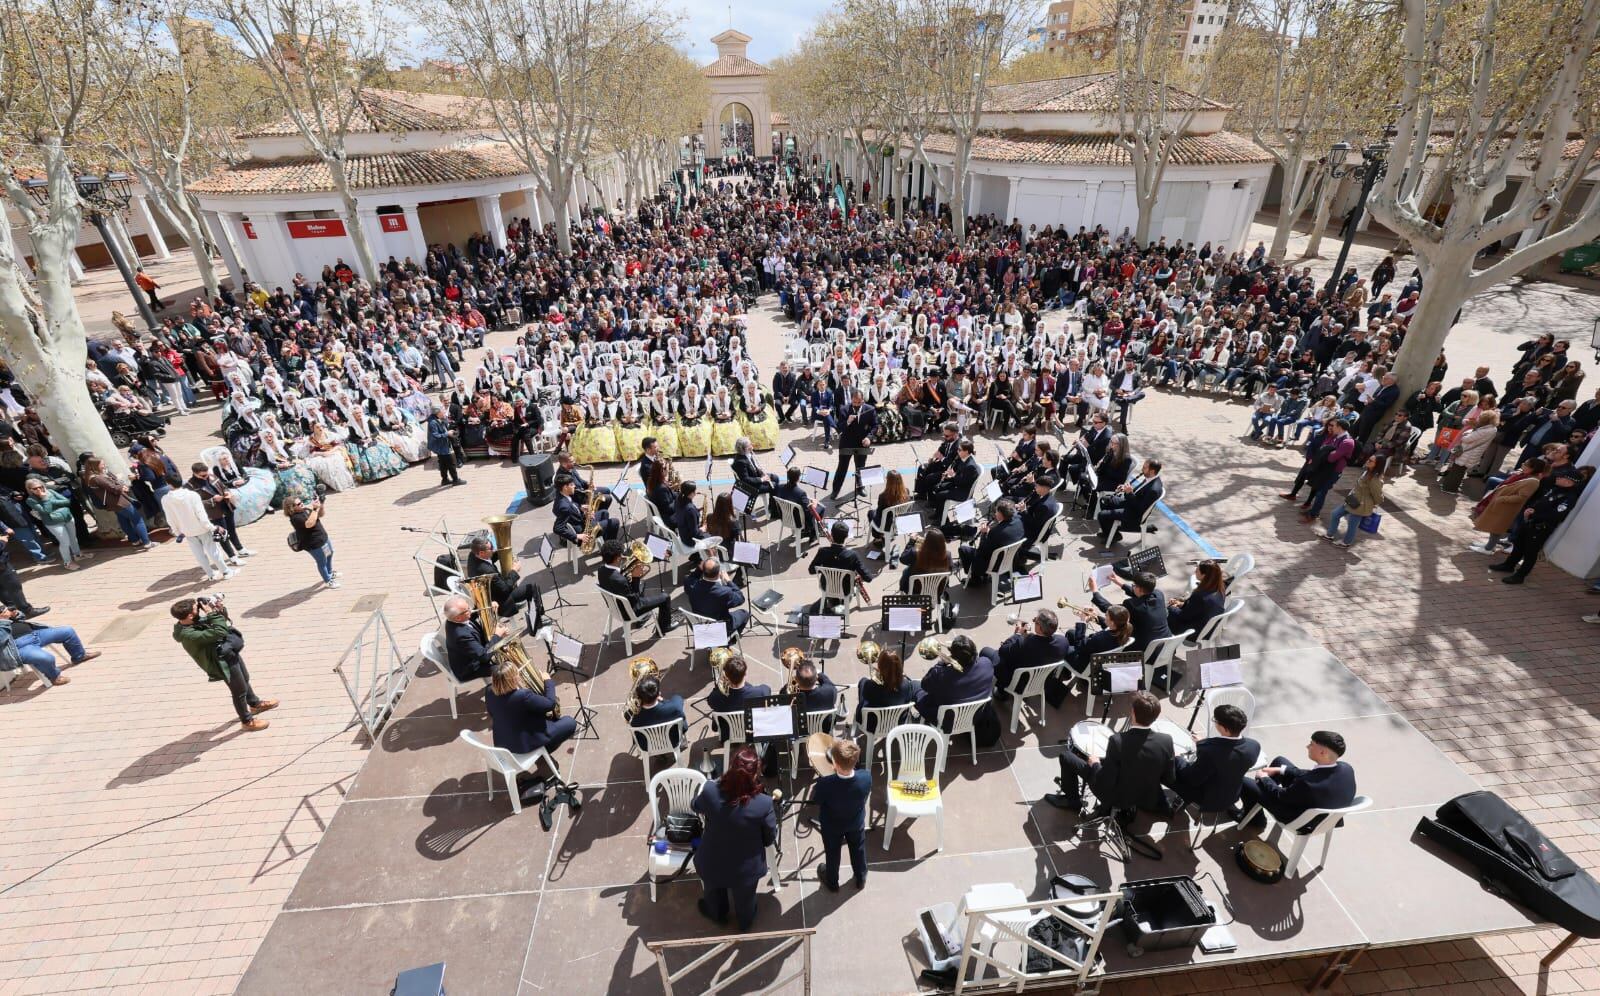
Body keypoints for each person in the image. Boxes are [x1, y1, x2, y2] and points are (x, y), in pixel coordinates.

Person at [690, 745, 778, 932]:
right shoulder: (764, 804)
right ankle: (745, 922)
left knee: (713, 894)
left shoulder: (709, 790)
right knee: (746, 901)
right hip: (746, 870)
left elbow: (695, 806)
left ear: (730, 767)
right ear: (755, 775)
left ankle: (717, 915)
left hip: (711, 861)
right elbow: (770, 836)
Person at [1045, 690, 1174, 816]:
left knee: (1066, 756)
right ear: (1155, 716)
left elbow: (1105, 780)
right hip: (1146, 797)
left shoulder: (1118, 741)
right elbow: (1169, 778)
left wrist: (1095, 764)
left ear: (1133, 713)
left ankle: (1072, 801)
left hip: (1116, 798)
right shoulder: (1166, 740)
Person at [170, 596, 274, 730]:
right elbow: (220, 631)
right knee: (239, 691)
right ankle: (247, 721)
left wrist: (217, 610)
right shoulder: (188, 634)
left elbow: (220, 623)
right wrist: (211, 614)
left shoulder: (191, 622)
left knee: (245, 679)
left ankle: (254, 703)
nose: (201, 609)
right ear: (190, 615)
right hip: (221, 661)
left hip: (227, 652)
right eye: (197, 608)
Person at [1239, 730, 1357, 829]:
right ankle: (1257, 802)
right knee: (1280, 761)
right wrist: (1281, 770)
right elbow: (1313, 773)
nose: (1307, 746)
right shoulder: (1346, 768)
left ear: (1322, 752)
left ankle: (1256, 819)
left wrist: (1264, 779)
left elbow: (1281, 795)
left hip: (1299, 818)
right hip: (1319, 806)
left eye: (1311, 744)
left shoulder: (1308, 784)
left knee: (1244, 782)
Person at [1490, 466, 1588, 584]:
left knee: (1530, 552)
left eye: (1561, 476)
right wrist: (1531, 509)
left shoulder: (1569, 498)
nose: (1557, 477)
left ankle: (1520, 576)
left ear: (1568, 481)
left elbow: (1557, 515)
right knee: (1518, 545)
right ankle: (1508, 565)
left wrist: (1535, 515)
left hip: (1541, 528)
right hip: (1531, 522)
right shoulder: (1555, 489)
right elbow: (1542, 502)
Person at [1170, 704, 1260, 815]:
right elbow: (1228, 756)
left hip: (1208, 798)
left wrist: (1178, 758)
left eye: (1215, 720)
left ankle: (1179, 800)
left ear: (1224, 728)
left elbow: (1192, 778)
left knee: (1169, 771)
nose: (1215, 722)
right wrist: (1203, 743)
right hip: (1232, 793)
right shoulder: (1254, 745)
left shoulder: (1210, 751)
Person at [812, 739, 871, 891]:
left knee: (832, 853)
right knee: (858, 849)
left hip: (832, 825)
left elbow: (817, 800)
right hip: (855, 822)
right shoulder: (866, 777)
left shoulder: (825, 784)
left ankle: (832, 881)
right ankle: (861, 877)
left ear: (835, 765)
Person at [485, 659, 575, 757]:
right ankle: (546, 748)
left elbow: (492, 712)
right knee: (570, 722)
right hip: (525, 746)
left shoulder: (489, 691)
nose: (518, 675)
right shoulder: (522, 695)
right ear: (513, 679)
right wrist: (548, 681)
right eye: (517, 674)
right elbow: (550, 704)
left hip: (504, 745)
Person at [914, 634, 994, 728]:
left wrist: (941, 664)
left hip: (948, 722)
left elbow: (924, 685)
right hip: (975, 717)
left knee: (915, 687)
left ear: (955, 658)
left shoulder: (942, 675)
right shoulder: (987, 663)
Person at [161, 480, 235, 581]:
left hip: (186, 531)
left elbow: (169, 518)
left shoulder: (165, 499)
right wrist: (212, 527)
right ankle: (225, 571)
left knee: (198, 554)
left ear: (169, 484)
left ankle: (211, 574)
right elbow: (201, 514)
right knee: (213, 551)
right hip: (202, 528)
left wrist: (178, 532)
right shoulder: (192, 495)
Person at [598, 539, 676, 634]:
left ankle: (642, 620)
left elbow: (621, 579)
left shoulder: (601, 569)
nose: (624, 556)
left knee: (642, 584)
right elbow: (635, 600)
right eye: (621, 555)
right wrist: (635, 577)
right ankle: (665, 627)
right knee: (665, 597)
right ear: (618, 559)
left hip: (615, 605)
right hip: (630, 611)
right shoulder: (620, 580)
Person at [985, 608, 1071, 693]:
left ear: (1040, 627)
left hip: (1019, 684)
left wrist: (1017, 634)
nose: (1034, 622)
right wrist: (1029, 637)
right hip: (1041, 682)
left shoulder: (1023, 643)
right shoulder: (1064, 642)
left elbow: (1003, 651)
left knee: (986, 652)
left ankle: (1001, 692)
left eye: (1035, 621)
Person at [1088, 570, 1170, 652]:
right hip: (1166, 646)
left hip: (1145, 650)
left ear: (1140, 588)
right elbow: (1142, 594)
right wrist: (1119, 583)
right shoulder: (1158, 594)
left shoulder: (1132, 605)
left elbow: (1113, 611)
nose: (1133, 587)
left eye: (1134, 585)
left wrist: (1095, 591)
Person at [82, 454, 152, 550]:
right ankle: (147, 542)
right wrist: (119, 480)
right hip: (120, 502)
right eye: (102, 464)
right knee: (138, 520)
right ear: (95, 466)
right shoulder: (98, 478)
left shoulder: (89, 477)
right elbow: (113, 488)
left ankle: (135, 540)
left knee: (124, 521)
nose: (104, 465)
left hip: (112, 504)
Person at [464, 536, 543, 620]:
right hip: (499, 601)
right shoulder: (487, 570)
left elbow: (489, 559)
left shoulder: (473, 554)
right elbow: (505, 589)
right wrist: (514, 571)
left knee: (513, 582)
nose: (493, 549)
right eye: (491, 548)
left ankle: (534, 614)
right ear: (481, 553)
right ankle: (538, 618)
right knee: (532, 588)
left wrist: (504, 552)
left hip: (491, 592)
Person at [187, 462, 252, 561]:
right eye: (203, 475)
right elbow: (194, 504)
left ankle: (240, 549)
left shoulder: (212, 476)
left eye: (207, 474)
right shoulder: (190, 486)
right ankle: (232, 557)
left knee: (232, 530)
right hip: (214, 513)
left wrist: (226, 492)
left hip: (226, 506)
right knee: (223, 535)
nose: (206, 477)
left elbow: (223, 486)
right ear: (195, 473)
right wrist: (212, 500)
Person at [23, 477, 88, 570]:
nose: (39, 489)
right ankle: (67, 563)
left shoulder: (50, 491)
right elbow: (46, 510)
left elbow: (66, 501)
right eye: (35, 488)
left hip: (66, 517)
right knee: (65, 542)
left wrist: (51, 501)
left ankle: (77, 555)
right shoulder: (31, 500)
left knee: (73, 538)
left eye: (40, 487)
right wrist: (45, 498)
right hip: (53, 522)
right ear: (30, 489)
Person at [1095, 458, 1163, 546]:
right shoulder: (1150, 478)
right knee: (1105, 500)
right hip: (1131, 503)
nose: (1142, 469)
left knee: (1102, 515)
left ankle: (1115, 535)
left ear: (1152, 471)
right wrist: (1125, 489)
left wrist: (1129, 493)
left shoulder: (1154, 489)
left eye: (1145, 468)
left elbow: (1139, 509)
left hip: (1134, 513)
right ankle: (1110, 530)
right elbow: (1138, 492)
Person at [808, 520, 870, 613]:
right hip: (845, 590)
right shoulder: (853, 555)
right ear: (846, 536)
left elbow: (811, 570)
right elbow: (868, 577)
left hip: (827, 586)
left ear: (831, 534)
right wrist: (858, 576)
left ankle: (833, 600)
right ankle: (838, 603)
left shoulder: (823, 551)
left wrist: (825, 569)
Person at [958, 498, 1025, 584]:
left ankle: (975, 578)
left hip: (996, 563)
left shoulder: (995, 532)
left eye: (996, 511)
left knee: (963, 549)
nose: (995, 513)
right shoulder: (1019, 521)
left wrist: (984, 534)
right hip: (1011, 558)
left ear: (1001, 514)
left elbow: (981, 551)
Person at [1324, 455, 1386, 549]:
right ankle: (1329, 535)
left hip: (1361, 505)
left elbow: (1378, 496)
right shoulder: (1367, 471)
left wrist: (1372, 503)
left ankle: (1346, 543)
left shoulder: (1375, 479)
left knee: (1352, 525)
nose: (1368, 461)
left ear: (1377, 465)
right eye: (1369, 459)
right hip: (1352, 500)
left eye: (1371, 461)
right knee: (1335, 514)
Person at [829, 389, 877, 499]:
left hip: (862, 444)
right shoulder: (844, 409)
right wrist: (847, 422)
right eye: (854, 402)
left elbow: (874, 426)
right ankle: (835, 490)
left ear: (863, 401)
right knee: (842, 467)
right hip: (846, 443)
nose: (856, 405)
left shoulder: (870, 409)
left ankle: (860, 487)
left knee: (860, 467)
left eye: (858, 402)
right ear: (851, 400)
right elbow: (839, 428)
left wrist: (869, 438)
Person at [685, 557, 749, 635]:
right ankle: (731, 639)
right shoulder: (725, 592)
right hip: (721, 628)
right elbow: (740, 599)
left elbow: (691, 578)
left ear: (703, 571)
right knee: (744, 613)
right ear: (719, 573)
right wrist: (728, 581)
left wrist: (699, 569)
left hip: (700, 626)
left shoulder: (690, 585)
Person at [442, 594, 498, 682]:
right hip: (471, 669)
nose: (471, 610)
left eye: (468, 607)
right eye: (467, 610)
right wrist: (497, 636)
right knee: (505, 668)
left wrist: (488, 606)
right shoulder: (461, 636)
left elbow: (471, 614)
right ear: (458, 618)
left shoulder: (455, 619)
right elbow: (484, 656)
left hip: (474, 655)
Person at [285, 494, 337, 588]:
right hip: (313, 543)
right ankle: (328, 581)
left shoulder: (305, 510)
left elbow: (319, 515)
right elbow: (309, 524)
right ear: (292, 508)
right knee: (322, 561)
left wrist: (321, 504)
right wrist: (315, 509)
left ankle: (330, 573)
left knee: (330, 553)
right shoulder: (295, 518)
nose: (302, 504)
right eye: (299, 503)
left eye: (301, 501)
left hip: (322, 537)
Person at [854, 647, 918, 724]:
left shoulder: (870, 686)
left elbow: (865, 698)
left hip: (873, 725)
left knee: (863, 681)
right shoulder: (907, 685)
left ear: (880, 666)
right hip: (898, 722)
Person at [1167, 560, 1226, 634]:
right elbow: (1196, 608)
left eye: (1197, 571)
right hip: (1211, 627)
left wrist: (1172, 608)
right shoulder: (1220, 587)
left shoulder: (1199, 596)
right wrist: (1180, 604)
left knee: (1166, 613)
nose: (1195, 572)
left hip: (1196, 631)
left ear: (1204, 575)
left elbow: (1184, 616)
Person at [628, 674, 685, 749]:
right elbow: (678, 699)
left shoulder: (635, 720)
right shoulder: (675, 708)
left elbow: (636, 738)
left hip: (648, 746)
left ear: (639, 697)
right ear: (659, 694)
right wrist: (664, 701)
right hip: (673, 741)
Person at [773, 466, 820, 540]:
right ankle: (812, 532)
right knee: (821, 509)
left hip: (785, 518)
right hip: (798, 522)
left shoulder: (779, 487)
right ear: (798, 478)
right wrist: (814, 503)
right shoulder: (801, 493)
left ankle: (808, 530)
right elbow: (808, 512)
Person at [427, 406, 463, 486]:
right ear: (438, 413)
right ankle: (455, 480)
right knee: (451, 463)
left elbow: (445, 427)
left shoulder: (439, 419)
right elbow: (435, 435)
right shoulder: (433, 423)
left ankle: (445, 479)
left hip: (442, 445)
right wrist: (447, 433)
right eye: (443, 411)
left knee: (443, 464)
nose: (444, 412)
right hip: (440, 446)